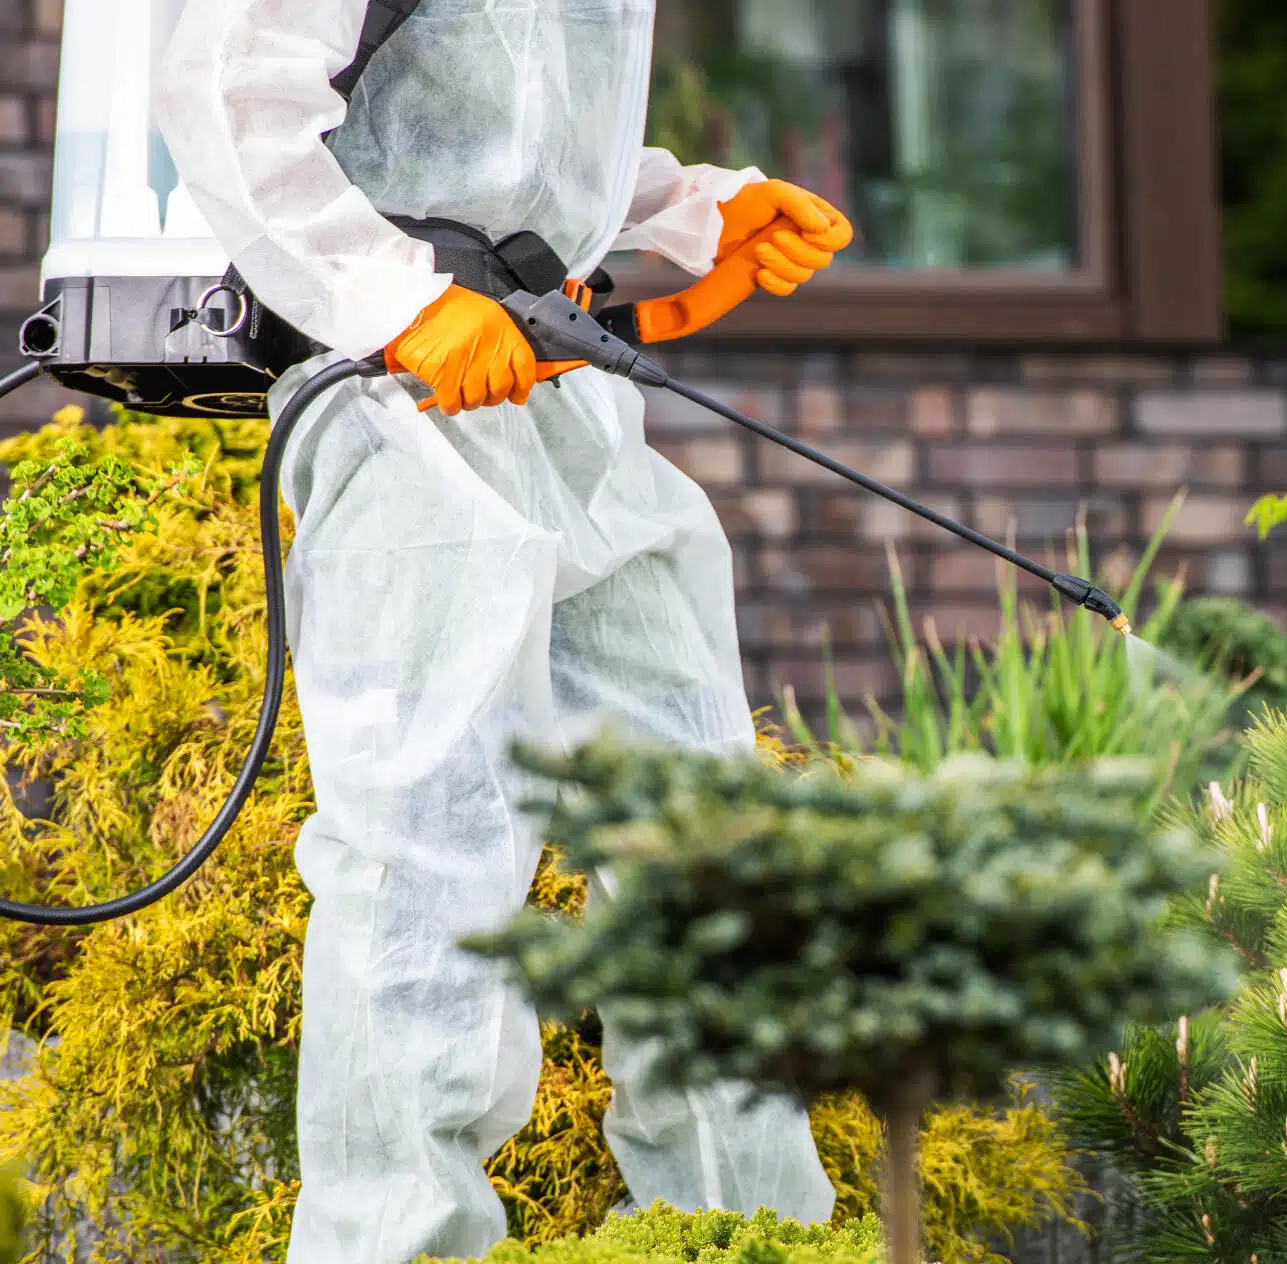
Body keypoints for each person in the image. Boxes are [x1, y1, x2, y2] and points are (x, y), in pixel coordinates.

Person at [153, 4, 849, 1261]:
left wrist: (680, 216)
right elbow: (223, 87)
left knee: (704, 828)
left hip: (549, 394)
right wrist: (392, 302)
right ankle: (392, 1244)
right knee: (426, 854)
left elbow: (498, 116)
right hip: (399, 398)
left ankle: (743, 1234)